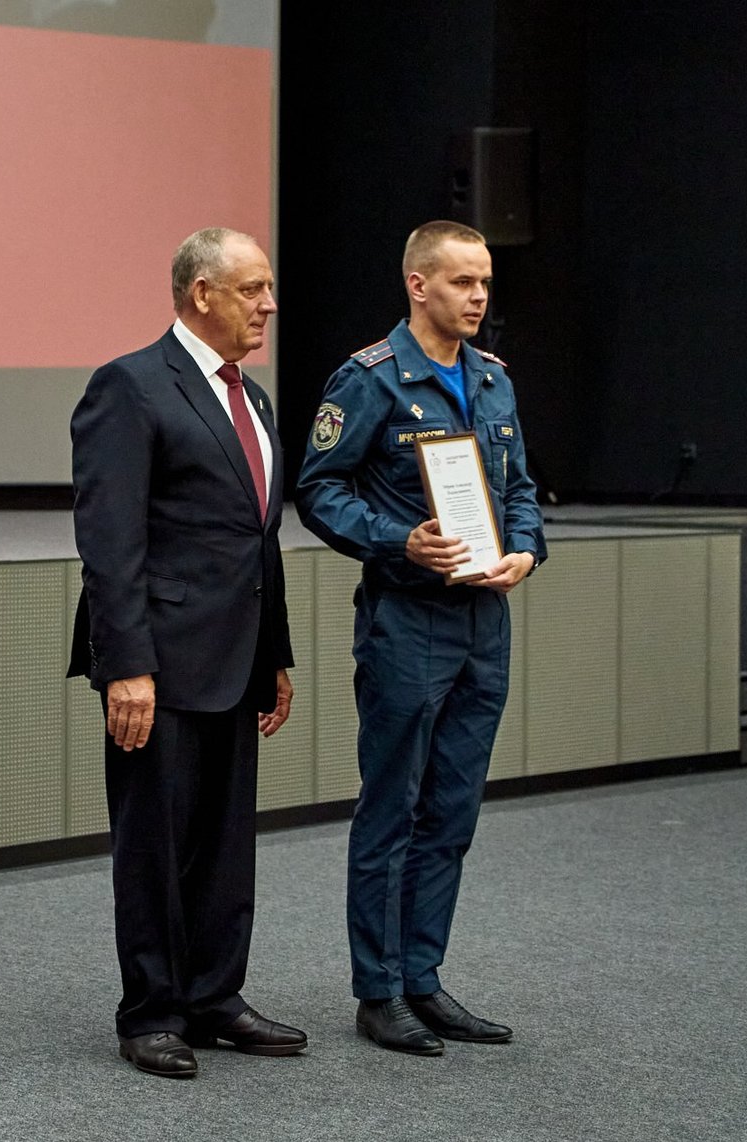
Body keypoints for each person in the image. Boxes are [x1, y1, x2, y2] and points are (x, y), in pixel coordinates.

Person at [295, 220, 546, 1055]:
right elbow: (320, 490)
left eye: (485, 282)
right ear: (418, 284)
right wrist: (398, 540)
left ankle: (424, 978)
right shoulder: (370, 378)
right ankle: (379, 991)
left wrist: (525, 550)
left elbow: (520, 486)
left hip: (483, 621)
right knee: (393, 808)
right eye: (462, 282)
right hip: (408, 619)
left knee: (452, 811)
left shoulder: (493, 379)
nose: (478, 297)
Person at [68, 227, 303, 1079]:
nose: (268, 304)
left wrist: (275, 653)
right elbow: (110, 543)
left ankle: (213, 997)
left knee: (226, 844)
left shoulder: (255, 399)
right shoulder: (130, 386)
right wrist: (125, 664)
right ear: (202, 293)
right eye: (252, 289)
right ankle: (152, 1012)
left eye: (268, 289)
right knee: (154, 846)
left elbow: (256, 542)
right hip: (159, 666)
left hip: (236, 661)